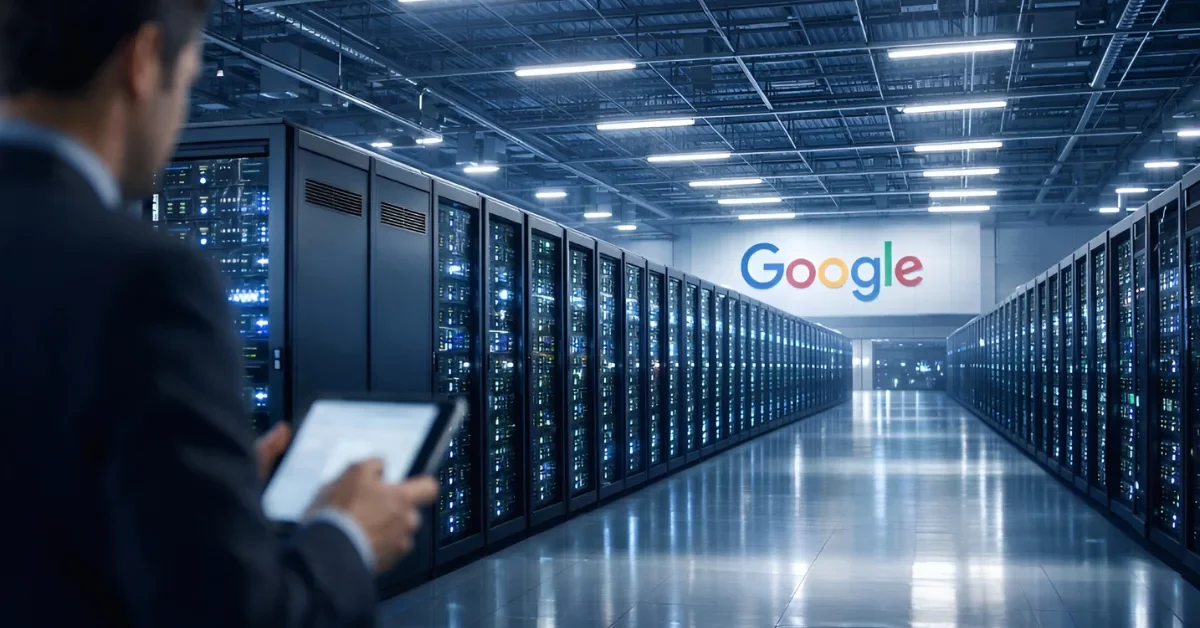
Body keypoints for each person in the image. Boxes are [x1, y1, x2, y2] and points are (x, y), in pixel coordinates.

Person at [0, 1, 438, 626]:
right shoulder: (144, 277)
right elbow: (228, 612)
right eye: (189, 80)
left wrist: (204, 495)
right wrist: (347, 536)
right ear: (144, 63)